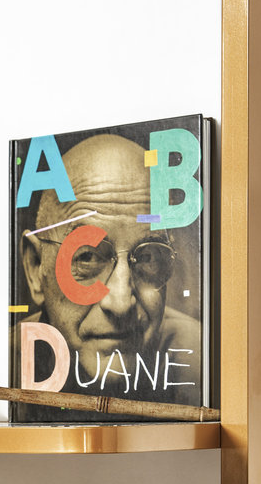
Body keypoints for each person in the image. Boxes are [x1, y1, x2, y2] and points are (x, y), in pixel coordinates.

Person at [14, 132, 203, 413]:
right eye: (87, 257)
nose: (120, 303)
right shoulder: (4, 367)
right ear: (35, 267)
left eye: (148, 257)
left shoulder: (201, 364)